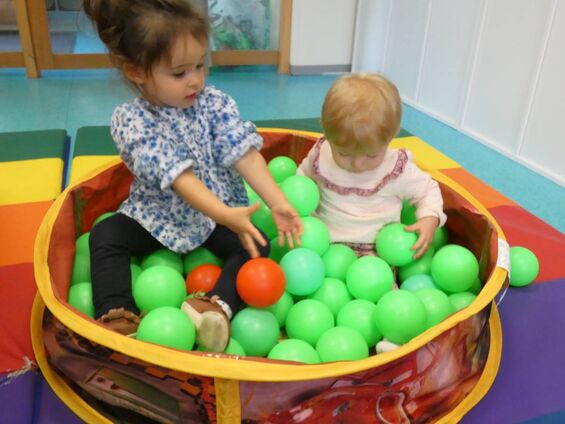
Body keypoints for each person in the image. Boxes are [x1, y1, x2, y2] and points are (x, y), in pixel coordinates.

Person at [83, 0, 302, 352]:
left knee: (257, 243)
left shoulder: (214, 103)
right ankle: (116, 314)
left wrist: (277, 201)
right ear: (137, 71)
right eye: (179, 72)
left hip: (215, 216)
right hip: (157, 216)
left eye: (201, 65)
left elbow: (243, 153)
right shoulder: (131, 121)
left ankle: (213, 307)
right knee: (106, 234)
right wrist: (225, 214)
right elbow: (179, 177)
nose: (195, 80)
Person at [298, 74, 446, 259]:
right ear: (326, 133)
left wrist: (429, 218)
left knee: (380, 287)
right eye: (344, 153)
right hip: (320, 243)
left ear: (391, 137)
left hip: (376, 252)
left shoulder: (396, 169)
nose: (358, 164)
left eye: (371, 155)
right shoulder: (321, 154)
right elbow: (301, 179)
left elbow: (427, 190)